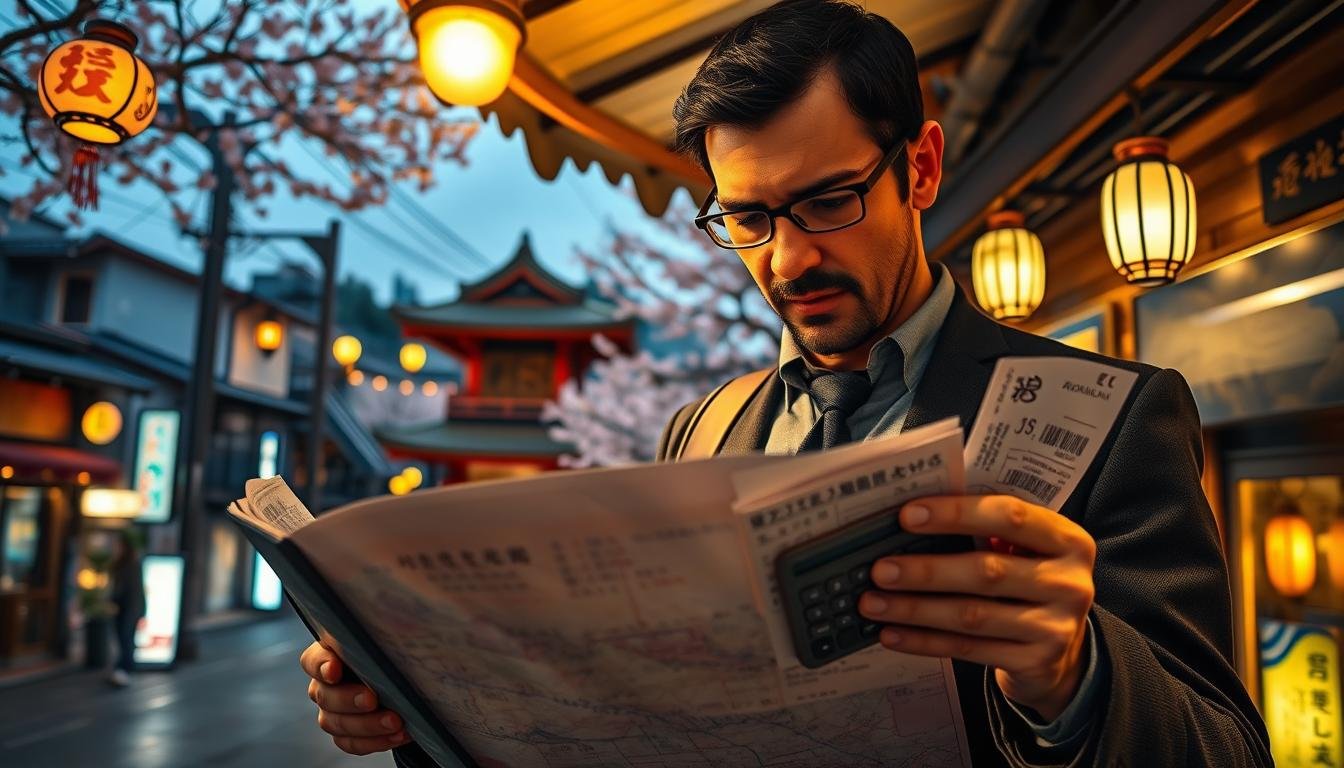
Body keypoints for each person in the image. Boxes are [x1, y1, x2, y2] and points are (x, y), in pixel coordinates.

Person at [299, 1, 1272, 765]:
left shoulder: (1111, 415)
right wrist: (417, 706)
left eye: (829, 200)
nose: (788, 259)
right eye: (748, 219)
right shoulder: (700, 431)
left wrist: (1078, 673)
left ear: (921, 168)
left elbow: (1227, 750)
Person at [108, 530, 145, 688]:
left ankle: (123, 670)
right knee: (126, 639)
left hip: (127, 609)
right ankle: (122, 670)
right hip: (131, 609)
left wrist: (112, 600)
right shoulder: (133, 564)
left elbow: (121, 589)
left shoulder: (127, 565)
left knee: (125, 639)